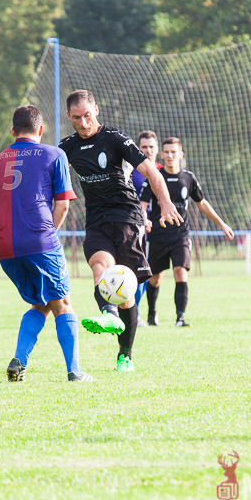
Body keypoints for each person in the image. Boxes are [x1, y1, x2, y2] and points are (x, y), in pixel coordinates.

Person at [58, 90, 182, 372]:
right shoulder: (67, 147)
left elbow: (152, 172)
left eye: (87, 116)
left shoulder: (116, 139)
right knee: (100, 266)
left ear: (96, 111)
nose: (83, 123)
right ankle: (108, 313)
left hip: (127, 218)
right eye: (76, 118)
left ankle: (125, 354)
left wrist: (165, 203)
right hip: (96, 221)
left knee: (125, 293)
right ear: (68, 117)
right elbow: (47, 173)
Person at [0, 105, 95, 383]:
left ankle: (19, 361)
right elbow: (62, 206)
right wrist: (47, 237)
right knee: (63, 301)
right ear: (40, 130)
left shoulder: (0, 158)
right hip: (38, 239)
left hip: (3, 244)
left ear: (12, 131)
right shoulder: (55, 154)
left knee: (43, 301)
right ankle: (75, 372)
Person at [139, 136, 234, 327]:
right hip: (158, 235)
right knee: (156, 278)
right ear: (162, 154)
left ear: (181, 154)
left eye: (174, 152)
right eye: (167, 152)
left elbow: (202, 203)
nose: (170, 156)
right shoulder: (155, 177)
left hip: (180, 235)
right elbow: (142, 204)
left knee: (180, 271)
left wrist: (222, 224)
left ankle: (180, 318)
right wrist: (144, 219)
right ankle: (151, 314)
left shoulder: (188, 178)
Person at [132, 130, 162, 326]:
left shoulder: (162, 171)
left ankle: (146, 312)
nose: (148, 151)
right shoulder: (131, 171)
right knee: (138, 271)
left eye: (151, 147)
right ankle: (133, 312)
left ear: (157, 149)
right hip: (136, 228)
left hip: (159, 230)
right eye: (144, 147)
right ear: (138, 149)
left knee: (152, 274)